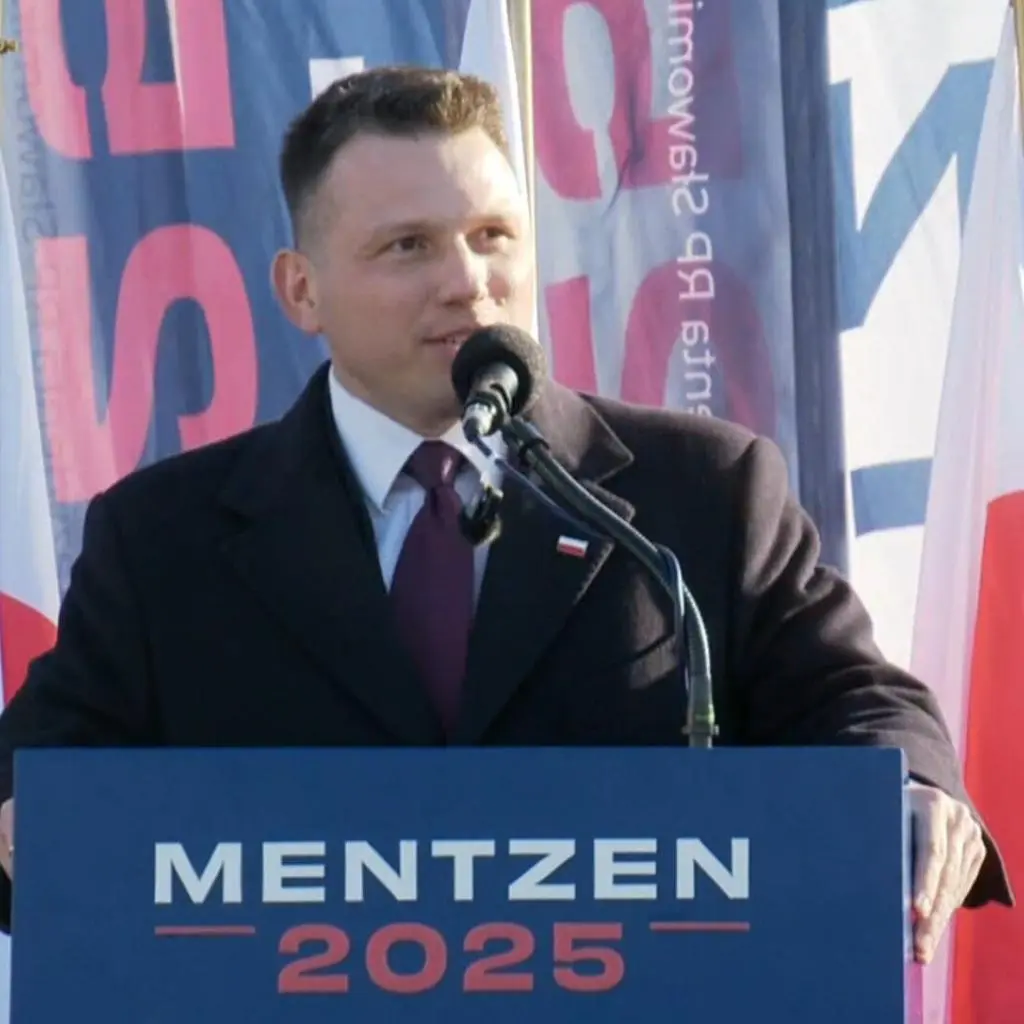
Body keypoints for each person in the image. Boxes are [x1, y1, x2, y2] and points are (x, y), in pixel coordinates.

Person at [0, 67, 1010, 958]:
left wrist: (911, 787)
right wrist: (20, 811)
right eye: (407, 246)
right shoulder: (164, 538)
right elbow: (44, 763)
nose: (467, 284)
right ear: (301, 291)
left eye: (493, 237)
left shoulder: (700, 490)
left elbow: (856, 699)